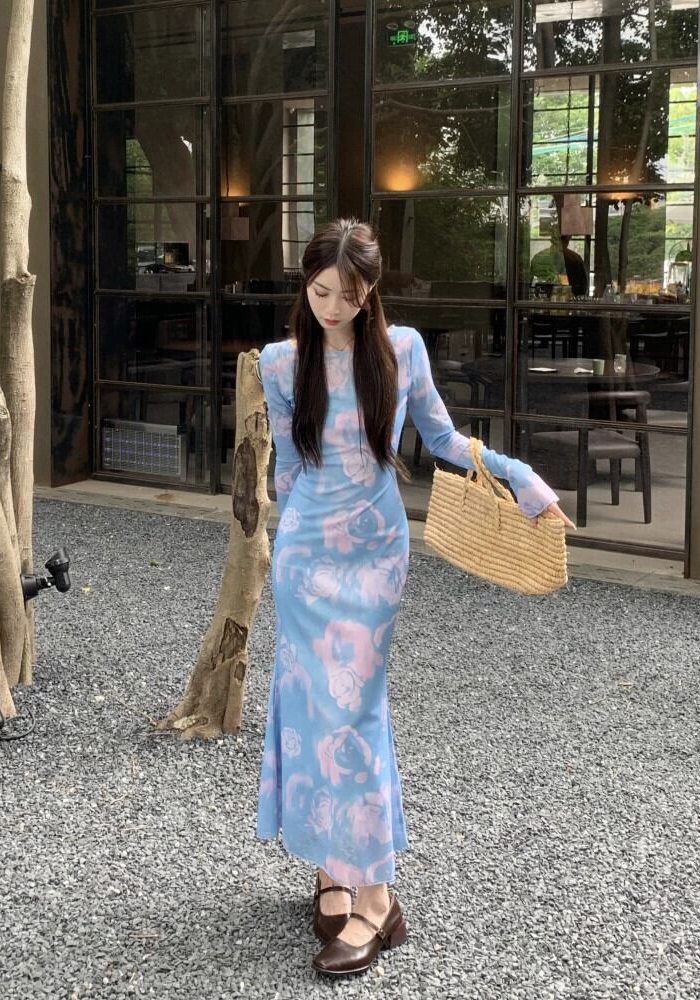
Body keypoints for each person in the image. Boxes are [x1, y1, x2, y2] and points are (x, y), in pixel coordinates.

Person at [255, 219, 574, 978]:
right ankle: (333, 869)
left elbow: (443, 440)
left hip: (374, 557)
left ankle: (376, 897)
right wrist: (284, 550)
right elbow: (287, 469)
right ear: (305, 285)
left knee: (356, 712)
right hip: (304, 560)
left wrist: (522, 479)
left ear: (371, 292)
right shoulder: (280, 361)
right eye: (320, 291)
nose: (332, 307)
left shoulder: (402, 350)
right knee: (313, 709)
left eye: (349, 294)